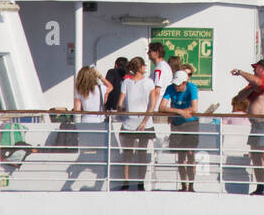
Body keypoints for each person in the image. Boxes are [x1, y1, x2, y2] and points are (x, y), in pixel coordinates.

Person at [65, 65, 113, 191]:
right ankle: (99, 181)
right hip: (100, 123)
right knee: (100, 153)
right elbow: (110, 87)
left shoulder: (79, 90)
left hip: (85, 123)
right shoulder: (101, 88)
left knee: (86, 151)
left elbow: (77, 110)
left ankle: (80, 177)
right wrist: (100, 76)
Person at [233, 59, 264, 195]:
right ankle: (260, 187)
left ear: (263, 70)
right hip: (256, 125)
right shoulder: (254, 86)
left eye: (255, 68)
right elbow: (238, 98)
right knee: (256, 157)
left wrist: (240, 72)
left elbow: (259, 82)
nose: (253, 71)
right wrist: (250, 88)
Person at [117, 57, 159, 190]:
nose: (145, 68)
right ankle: (140, 182)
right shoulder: (149, 82)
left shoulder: (126, 82)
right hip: (144, 123)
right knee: (142, 154)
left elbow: (120, 103)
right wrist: (145, 121)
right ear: (140, 67)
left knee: (127, 154)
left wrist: (122, 110)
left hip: (129, 121)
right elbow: (152, 104)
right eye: (144, 66)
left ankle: (126, 181)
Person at [160, 69, 200, 191]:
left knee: (190, 154)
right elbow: (161, 107)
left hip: (191, 123)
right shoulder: (170, 88)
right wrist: (180, 112)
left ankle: (191, 185)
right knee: (181, 155)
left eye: (178, 84)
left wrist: (174, 111)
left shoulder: (192, 87)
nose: (176, 86)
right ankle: (183, 185)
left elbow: (194, 108)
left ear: (184, 83)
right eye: (175, 84)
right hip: (177, 123)